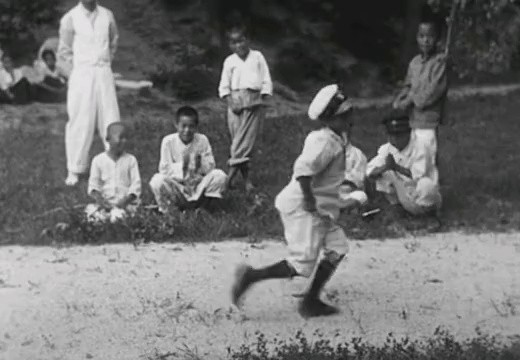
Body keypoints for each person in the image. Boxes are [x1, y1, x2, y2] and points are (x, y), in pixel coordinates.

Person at [231, 84, 353, 318]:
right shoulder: (324, 142)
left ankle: (310, 301)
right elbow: (303, 170)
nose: (349, 118)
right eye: (343, 116)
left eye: (349, 113)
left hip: (322, 207)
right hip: (304, 207)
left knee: (337, 247)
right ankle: (250, 276)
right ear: (329, 119)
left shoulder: (337, 137)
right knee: (301, 265)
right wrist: (308, 200)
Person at [58, 0, 121, 186]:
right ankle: (75, 169)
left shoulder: (107, 15)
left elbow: (113, 42)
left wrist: (104, 62)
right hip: (82, 73)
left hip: (103, 71)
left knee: (110, 118)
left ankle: (114, 164)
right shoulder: (70, 18)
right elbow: (64, 51)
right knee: (80, 120)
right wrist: (76, 71)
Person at [218, 25, 273, 193]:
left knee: (245, 144)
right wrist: (231, 102)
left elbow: (266, 79)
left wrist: (261, 98)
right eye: (233, 42)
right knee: (237, 142)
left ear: (248, 40)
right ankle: (245, 179)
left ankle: (230, 179)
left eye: (241, 40)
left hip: (253, 101)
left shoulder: (257, 57)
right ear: (230, 45)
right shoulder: (229, 61)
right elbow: (224, 86)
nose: (238, 46)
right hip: (235, 101)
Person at [149, 106, 227, 213]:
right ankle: (171, 210)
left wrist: (197, 166)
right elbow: (164, 169)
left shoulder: (202, 140)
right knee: (157, 180)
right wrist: (184, 168)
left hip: (198, 184)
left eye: (191, 126)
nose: (187, 130)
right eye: (183, 126)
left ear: (196, 127)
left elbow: (210, 165)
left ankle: (204, 206)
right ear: (176, 125)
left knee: (219, 175)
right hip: (178, 187)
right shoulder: (168, 141)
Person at [393, 14, 447, 165]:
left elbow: (433, 90)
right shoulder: (415, 63)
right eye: (422, 36)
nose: (426, 40)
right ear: (417, 38)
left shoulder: (439, 63)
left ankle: (429, 187)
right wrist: (400, 99)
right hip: (411, 121)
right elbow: (408, 85)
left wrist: (411, 99)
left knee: (426, 160)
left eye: (430, 36)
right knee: (412, 160)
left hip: (428, 121)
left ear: (437, 39)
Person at [366, 110, 441, 216]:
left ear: (409, 132)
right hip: (403, 195)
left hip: (422, 195)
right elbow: (369, 172)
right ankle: (396, 207)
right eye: (392, 136)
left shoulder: (421, 146)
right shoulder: (387, 148)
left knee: (426, 185)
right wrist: (384, 168)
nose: (395, 139)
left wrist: (395, 167)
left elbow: (417, 177)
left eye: (399, 135)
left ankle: (428, 214)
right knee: (385, 173)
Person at [86, 122, 141, 223]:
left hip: (124, 203)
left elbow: (136, 186)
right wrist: (102, 202)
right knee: (94, 216)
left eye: (126, 138)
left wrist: (123, 202)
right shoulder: (98, 160)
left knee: (118, 217)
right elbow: (93, 186)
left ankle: (116, 220)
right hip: (105, 203)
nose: (124, 141)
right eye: (120, 137)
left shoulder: (131, 160)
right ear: (108, 138)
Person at [340, 123, 368, 213]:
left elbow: (355, 183)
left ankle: (344, 209)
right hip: (329, 193)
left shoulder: (357, 155)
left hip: (348, 194)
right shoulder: (325, 154)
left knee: (361, 196)